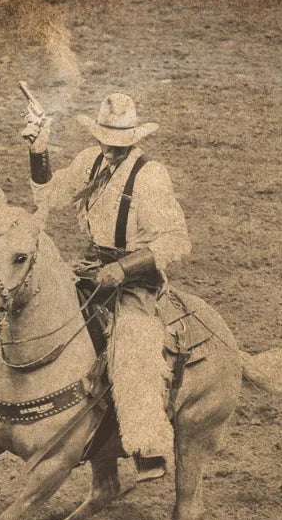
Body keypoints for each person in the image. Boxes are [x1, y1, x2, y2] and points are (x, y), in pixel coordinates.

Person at [21, 92, 190, 478]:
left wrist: (125, 268)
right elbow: (49, 195)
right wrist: (39, 151)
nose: (111, 150)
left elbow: (175, 240)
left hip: (136, 282)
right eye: (106, 142)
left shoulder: (151, 176)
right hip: (91, 267)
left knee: (133, 346)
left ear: (133, 140)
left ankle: (147, 446)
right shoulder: (90, 161)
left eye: (120, 145)